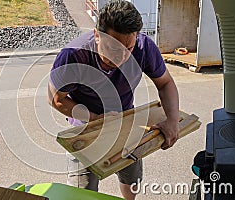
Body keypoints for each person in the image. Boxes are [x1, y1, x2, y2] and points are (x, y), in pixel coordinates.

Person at [47, 0, 179, 199]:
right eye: (114, 48)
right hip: (86, 129)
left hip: (126, 123)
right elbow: (55, 99)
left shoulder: (144, 48)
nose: (122, 57)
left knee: (131, 180)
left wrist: (172, 121)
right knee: (81, 193)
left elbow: (165, 83)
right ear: (97, 36)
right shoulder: (74, 56)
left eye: (129, 47)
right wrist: (95, 118)